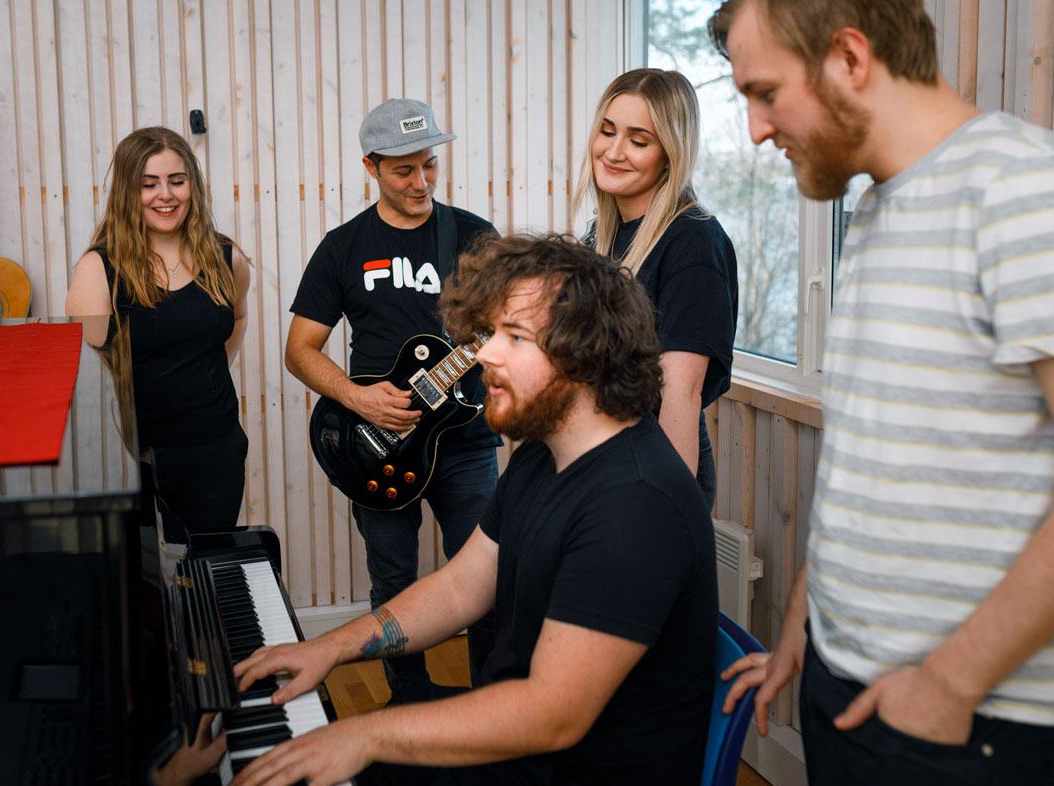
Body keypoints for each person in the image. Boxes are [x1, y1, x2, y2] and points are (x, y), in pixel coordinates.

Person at [708, 2, 1054, 785]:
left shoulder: (1025, 190)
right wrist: (806, 625)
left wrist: (950, 684)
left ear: (850, 57)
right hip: (854, 681)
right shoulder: (879, 209)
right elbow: (874, 456)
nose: (758, 129)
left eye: (765, 91)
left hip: (973, 721)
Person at [233, 235, 718, 786]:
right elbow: (462, 587)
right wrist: (330, 647)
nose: (484, 353)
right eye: (492, 333)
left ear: (586, 352)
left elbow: (551, 716)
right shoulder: (545, 453)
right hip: (518, 751)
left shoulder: (637, 505)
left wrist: (366, 735)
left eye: (514, 337)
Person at [285, 99, 501, 702]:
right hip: (375, 445)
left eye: (429, 165)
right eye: (404, 170)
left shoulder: (475, 237)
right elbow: (299, 349)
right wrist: (357, 398)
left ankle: (492, 700)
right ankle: (408, 697)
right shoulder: (343, 246)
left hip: (465, 443)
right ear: (371, 167)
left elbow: (517, 320)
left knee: (487, 579)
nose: (421, 182)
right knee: (394, 578)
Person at [66, 126, 251, 534]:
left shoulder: (226, 256)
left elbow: (236, 318)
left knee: (206, 574)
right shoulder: (98, 270)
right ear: (127, 193)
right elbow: (87, 377)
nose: (165, 195)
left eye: (177, 181)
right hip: (142, 462)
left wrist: (214, 367)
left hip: (217, 451)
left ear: (193, 187)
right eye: (148, 184)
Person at [573, 67, 738, 510]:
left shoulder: (693, 241)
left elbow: (680, 394)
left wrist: (662, 513)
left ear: (671, 153)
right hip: (601, 456)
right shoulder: (601, 237)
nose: (614, 151)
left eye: (638, 140)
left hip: (656, 465)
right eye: (607, 131)